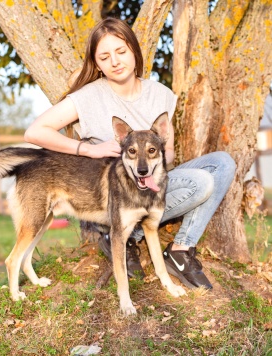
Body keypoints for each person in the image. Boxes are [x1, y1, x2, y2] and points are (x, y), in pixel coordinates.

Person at [24, 17, 236, 290]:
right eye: (105, 56)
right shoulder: (89, 97)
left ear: (134, 51)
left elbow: (168, 153)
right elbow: (35, 132)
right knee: (201, 183)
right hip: (113, 195)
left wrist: (149, 161)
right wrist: (89, 149)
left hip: (152, 183)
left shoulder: (160, 94)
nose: (115, 61)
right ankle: (123, 232)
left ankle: (181, 250)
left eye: (121, 51)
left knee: (222, 163)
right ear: (97, 64)